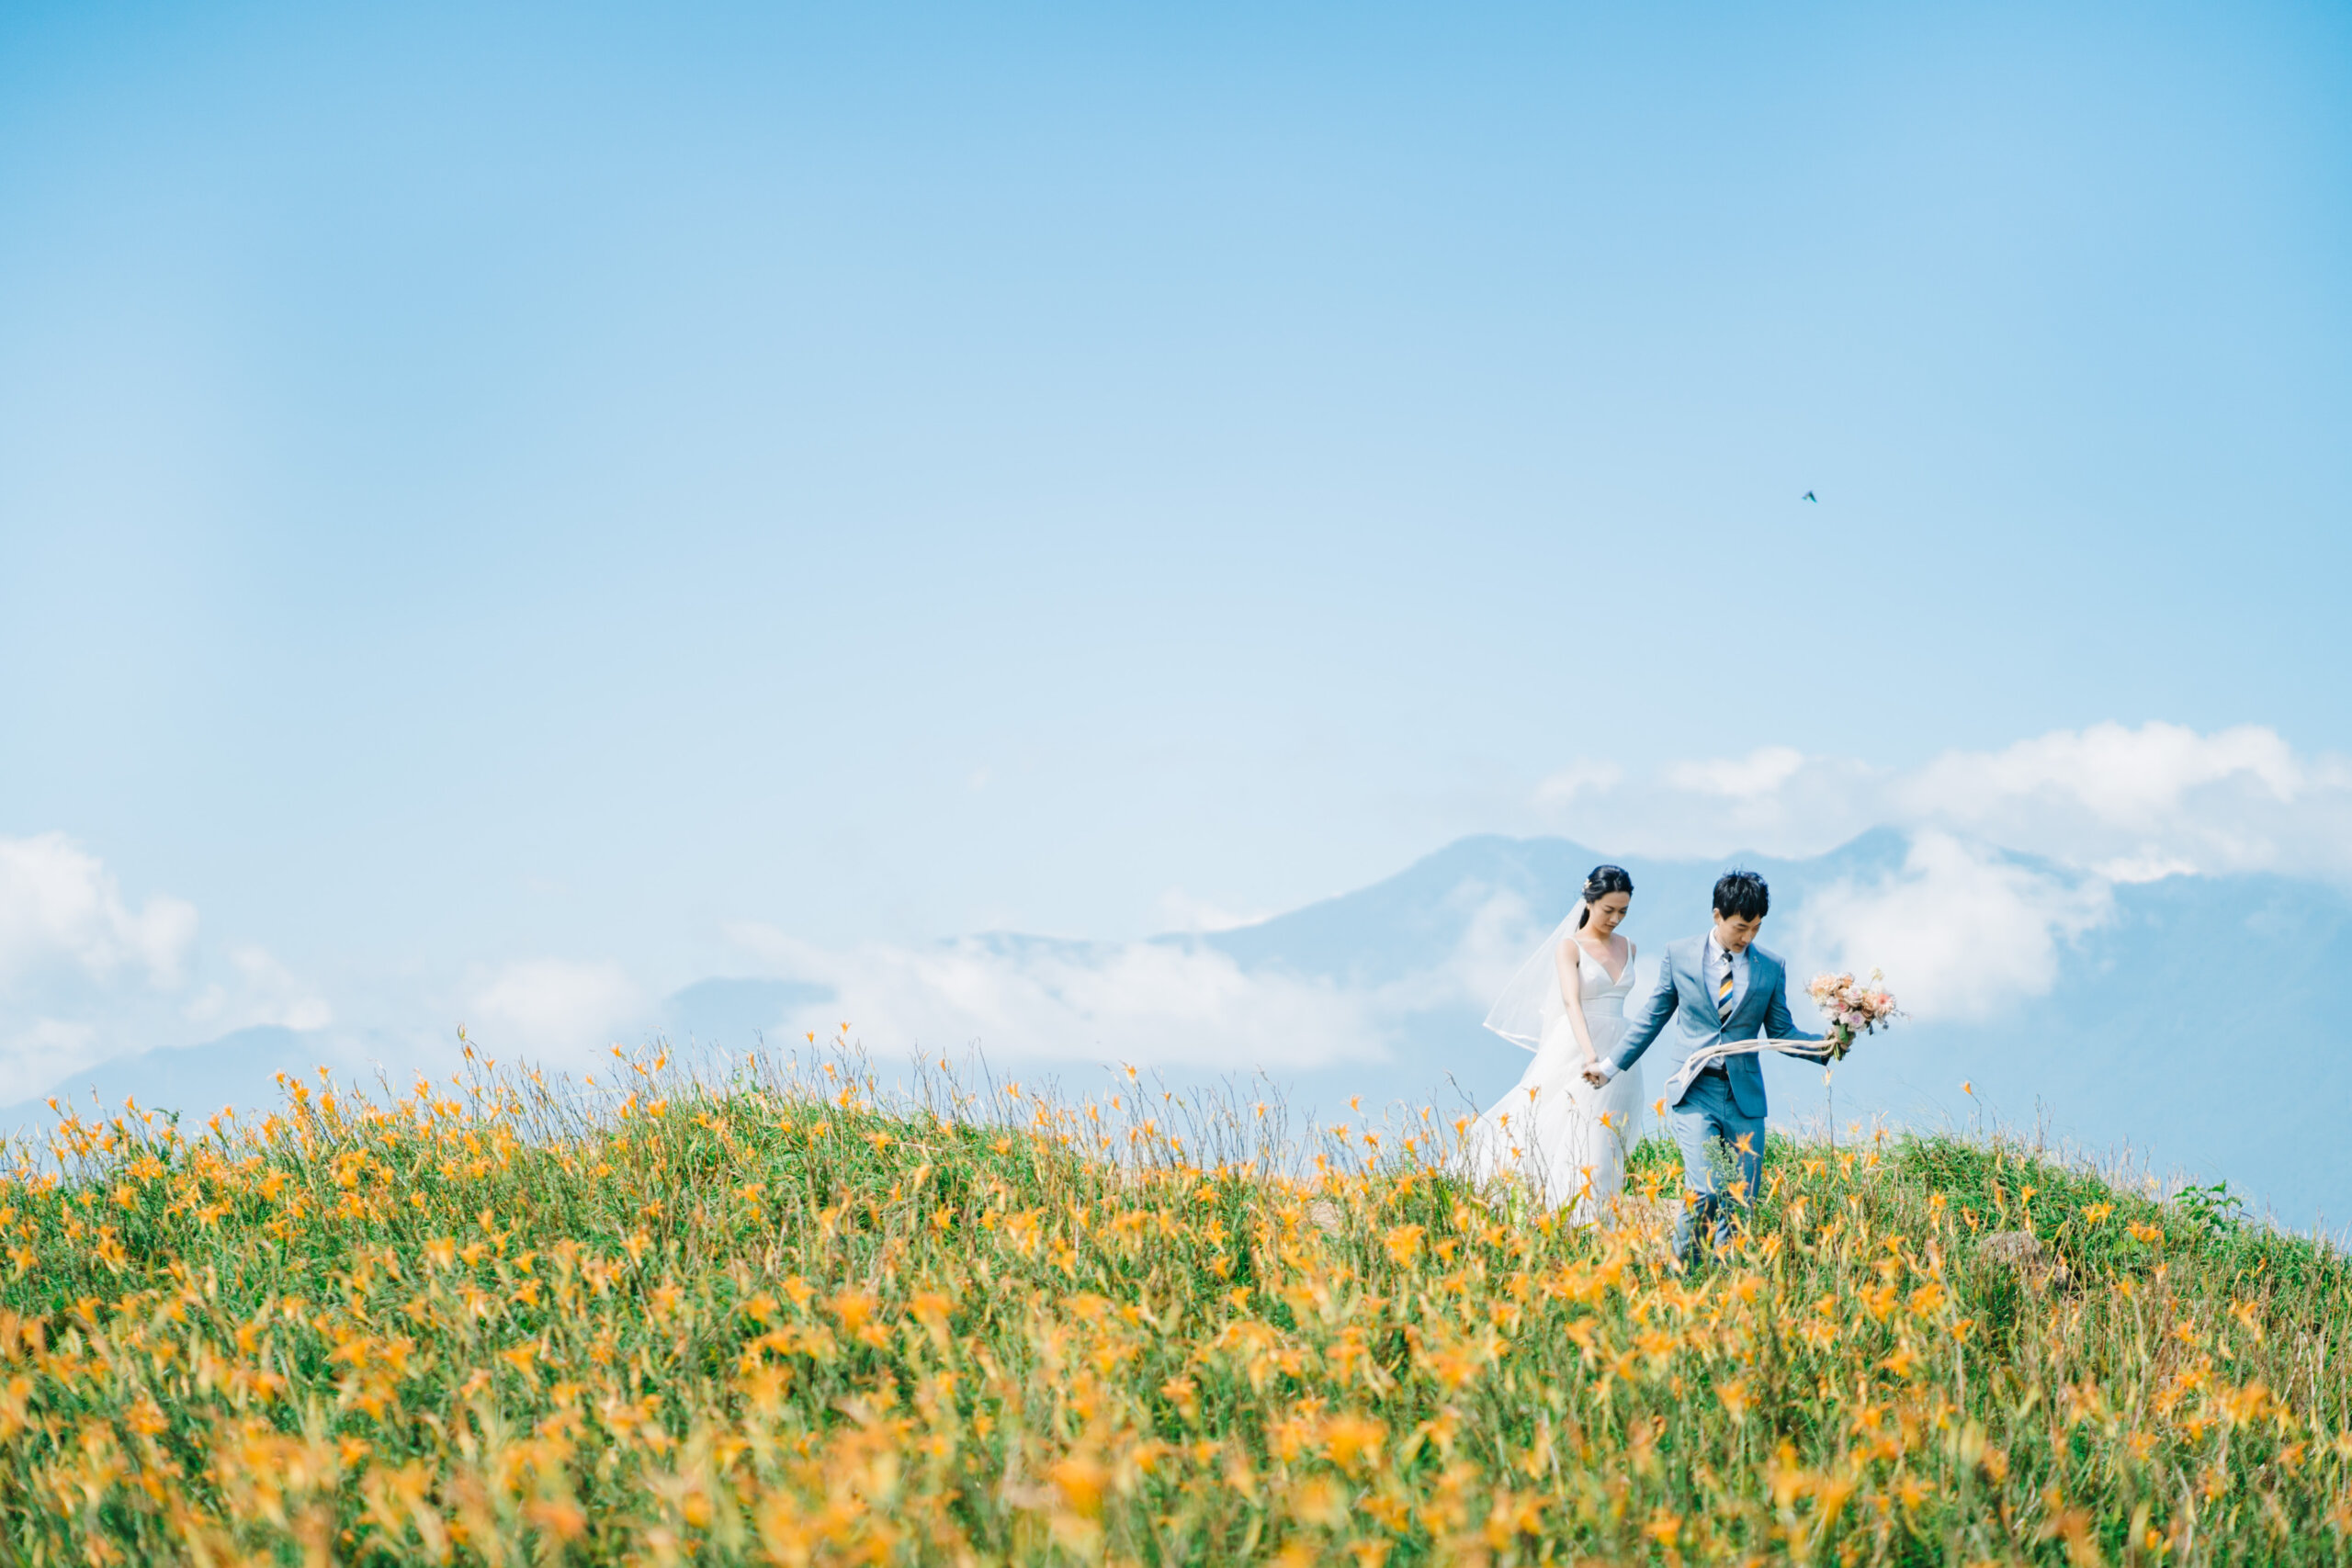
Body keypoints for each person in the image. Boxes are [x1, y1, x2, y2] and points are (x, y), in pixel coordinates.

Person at [1582, 870, 1826, 1266]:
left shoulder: (1771, 965)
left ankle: (1725, 1289)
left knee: (1740, 1201)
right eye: (1740, 927)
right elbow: (1653, 1016)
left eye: (1756, 929)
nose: (1747, 938)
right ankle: (1678, 1276)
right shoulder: (1679, 955)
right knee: (1707, 1189)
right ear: (1717, 916)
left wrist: (1830, 1044)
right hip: (1694, 1091)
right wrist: (1609, 1066)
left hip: (1745, 1098)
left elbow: (1782, 1031)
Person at [1466, 865, 1646, 1221]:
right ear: (1589, 902)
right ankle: (1569, 1217)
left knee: (1608, 1139)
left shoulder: (1630, 947)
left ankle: (1600, 1222)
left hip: (1621, 1049)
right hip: (1580, 1045)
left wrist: (1616, 1056)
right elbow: (1570, 1001)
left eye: (1622, 911)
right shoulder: (1570, 946)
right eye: (1608, 909)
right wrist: (1591, 1054)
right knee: (1570, 1130)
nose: (1615, 919)